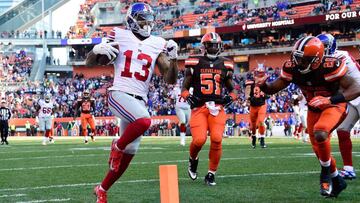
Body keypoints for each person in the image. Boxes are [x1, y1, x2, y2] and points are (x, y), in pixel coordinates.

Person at [86, 3, 178, 202]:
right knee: (145, 122)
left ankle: (102, 189)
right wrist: (96, 50)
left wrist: (174, 59)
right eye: (143, 18)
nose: (147, 22)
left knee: (130, 153)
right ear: (132, 19)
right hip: (118, 93)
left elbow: (169, 79)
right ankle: (117, 146)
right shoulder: (118, 34)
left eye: (149, 18)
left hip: (138, 101)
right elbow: (90, 63)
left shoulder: (157, 43)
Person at [256, 36, 360, 197]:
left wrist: (330, 99)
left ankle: (325, 173)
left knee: (321, 131)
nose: (299, 62)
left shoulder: (330, 65)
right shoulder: (293, 68)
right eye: (297, 57)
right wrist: (262, 85)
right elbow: (273, 88)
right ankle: (338, 181)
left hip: (334, 105)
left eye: (304, 59)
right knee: (319, 150)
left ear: (317, 59)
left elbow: (355, 88)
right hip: (313, 108)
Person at [181, 32, 236, 186]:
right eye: (210, 45)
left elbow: (233, 90)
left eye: (216, 45)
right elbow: (184, 87)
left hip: (217, 107)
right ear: (204, 46)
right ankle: (193, 159)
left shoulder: (226, 64)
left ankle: (211, 173)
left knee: (217, 139)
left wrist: (230, 97)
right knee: (199, 140)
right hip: (199, 107)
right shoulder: (194, 62)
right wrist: (187, 96)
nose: (213, 48)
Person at [317, 33, 358, 179]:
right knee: (342, 130)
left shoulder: (340, 57)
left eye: (324, 48)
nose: (321, 51)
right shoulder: (327, 60)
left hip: (357, 92)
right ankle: (348, 169)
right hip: (352, 98)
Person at [245, 68, 268, 148]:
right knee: (253, 126)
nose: (260, 76)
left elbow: (269, 94)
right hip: (253, 106)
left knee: (261, 122)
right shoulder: (250, 83)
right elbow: (246, 95)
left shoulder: (265, 84)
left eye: (262, 74)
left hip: (262, 105)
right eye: (259, 74)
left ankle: (262, 139)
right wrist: (249, 98)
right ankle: (254, 137)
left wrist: (265, 95)